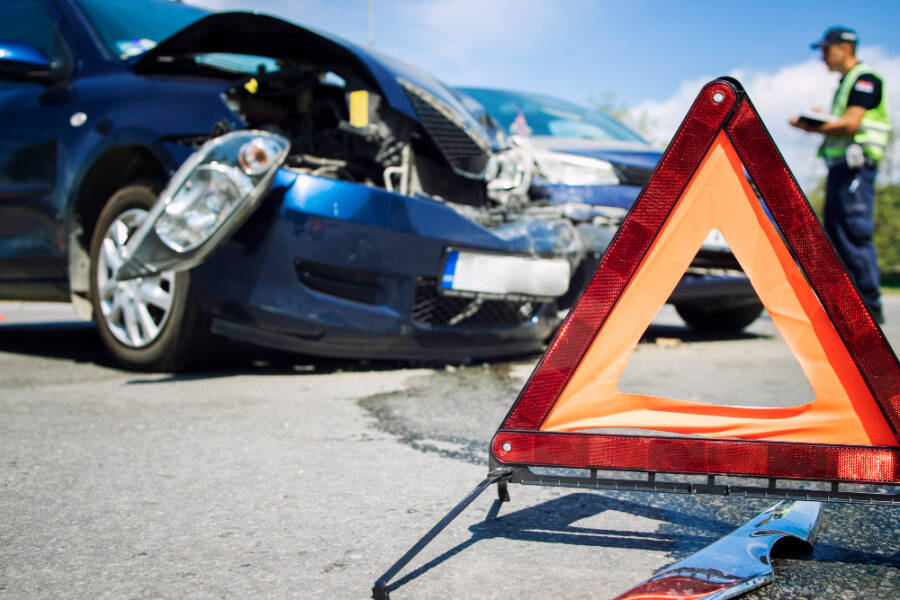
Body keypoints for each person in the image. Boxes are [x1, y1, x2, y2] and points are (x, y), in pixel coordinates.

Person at [790, 26, 891, 324]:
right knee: (836, 233)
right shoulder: (847, 82)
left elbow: (851, 124)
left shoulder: (865, 79)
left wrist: (812, 126)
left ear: (844, 48)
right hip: (841, 170)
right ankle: (847, 307)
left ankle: (869, 310)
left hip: (855, 169)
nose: (822, 56)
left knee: (853, 233)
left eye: (825, 49)